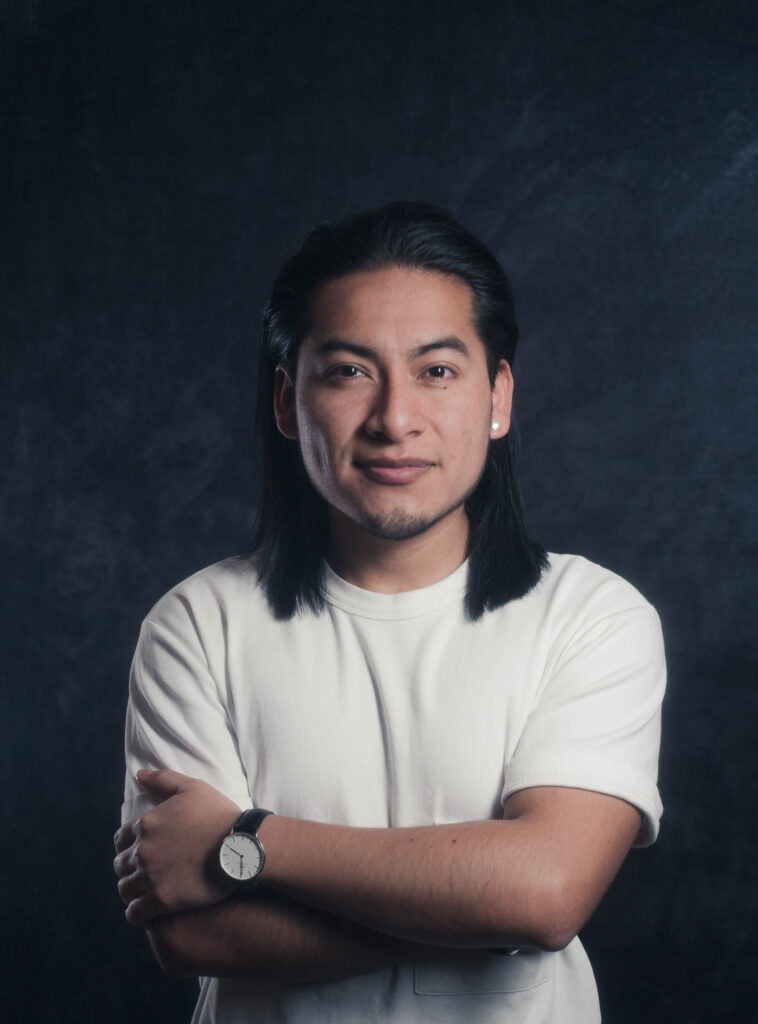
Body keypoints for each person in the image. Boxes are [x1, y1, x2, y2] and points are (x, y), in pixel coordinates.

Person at [114, 201, 665, 1024]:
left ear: (498, 397)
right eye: (348, 371)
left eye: (437, 370)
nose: (395, 420)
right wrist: (483, 914)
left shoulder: (591, 616)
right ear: (285, 400)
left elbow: (546, 893)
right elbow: (192, 936)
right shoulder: (197, 624)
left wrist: (247, 841)